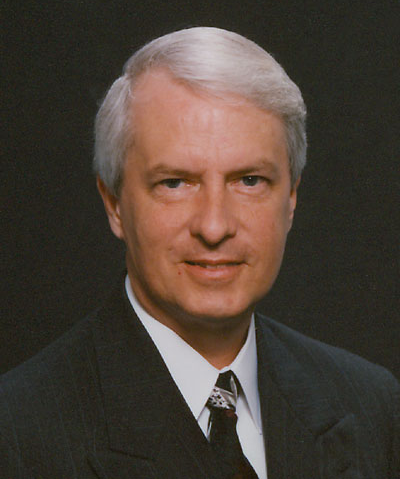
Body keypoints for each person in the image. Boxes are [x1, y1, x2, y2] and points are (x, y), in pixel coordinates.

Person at [1, 27, 398, 479]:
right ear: (114, 204)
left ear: (291, 199)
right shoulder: (18, 435)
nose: (214, 226)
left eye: (249, 181)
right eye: (174, 183)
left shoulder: (372, 407)